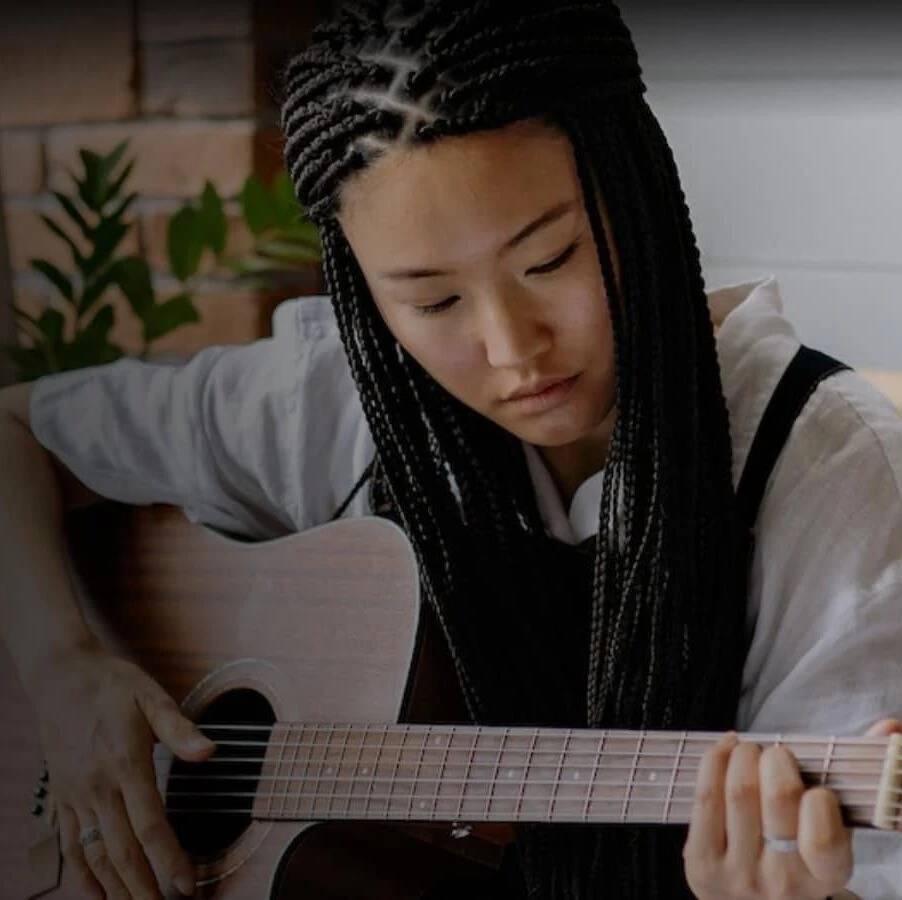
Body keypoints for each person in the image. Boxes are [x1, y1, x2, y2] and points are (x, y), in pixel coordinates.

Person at [1, 0, 901, 897]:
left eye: (549, 260)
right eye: (432, 302)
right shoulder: (339, 404)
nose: (511, 349)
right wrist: (61, 669)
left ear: (640, 190)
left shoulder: (833, 479)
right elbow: (15, 429)